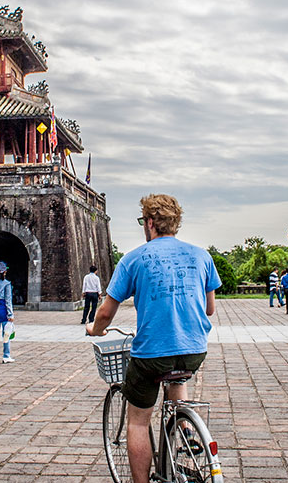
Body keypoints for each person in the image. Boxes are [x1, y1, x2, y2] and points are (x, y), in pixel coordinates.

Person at [86, 194, 220, 483]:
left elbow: (106, 313)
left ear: (149, 223)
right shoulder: (202, 256)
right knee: (177, 374)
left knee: (138, 421)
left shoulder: (133, 259)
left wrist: (94, 330)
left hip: (152, 355)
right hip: (194, 350)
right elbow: (209, 309)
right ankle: (185, 427)